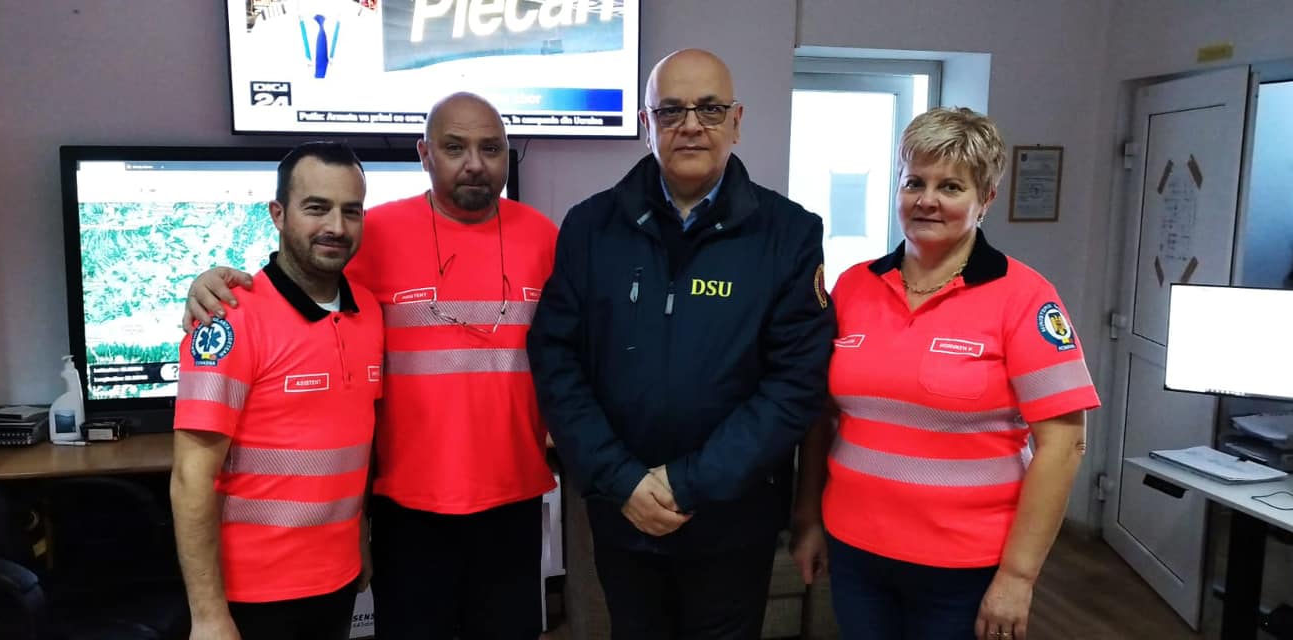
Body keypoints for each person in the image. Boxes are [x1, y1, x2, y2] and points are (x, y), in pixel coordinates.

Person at [181, 92, 558, 640]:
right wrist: (208, 285)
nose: (474, 163)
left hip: (513, 501)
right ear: (425, 154)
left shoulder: (545, 237)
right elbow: (298, 276)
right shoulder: (371, 233)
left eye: (491, 148)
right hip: (406, 509)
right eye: (455, 147)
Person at [527, 48, 835, 639]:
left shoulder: (791, 234)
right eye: (671, 111)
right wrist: (622, 480)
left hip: (732, 524)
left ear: (737, 121)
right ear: (648, 123)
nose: (691, 125)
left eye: (710, 109)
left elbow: (796, 383)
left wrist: (688, 482)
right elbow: (557, 361)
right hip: (622, 516)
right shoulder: (590, 227)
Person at [789, 107, 1101, 640]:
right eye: (914, 182)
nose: (927, 199)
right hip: (856, 553)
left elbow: (1064, 443)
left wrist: (1018, 576)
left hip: (965, 569)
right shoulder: (853, 286)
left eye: (951, 186)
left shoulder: (1024, 297)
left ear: (986, 199)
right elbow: (821, 416)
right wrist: (808, 518)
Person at [171, 141, 381, 640]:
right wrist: (208, 615)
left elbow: (352, 445)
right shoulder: (227, 318)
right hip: (254, 597)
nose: (336, 226)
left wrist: (360, 538)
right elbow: (190, 477)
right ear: (278, 214)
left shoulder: (369, 312)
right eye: (317, 208)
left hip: (337, 580)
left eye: (351, 211)